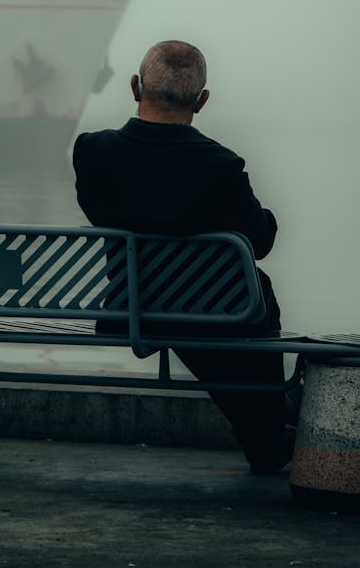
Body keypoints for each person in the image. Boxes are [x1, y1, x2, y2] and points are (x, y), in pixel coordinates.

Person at [72, 39, 295, 475]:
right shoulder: (219, 166)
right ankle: (270, 431)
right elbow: (261, 240)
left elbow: (98, 210)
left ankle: (272, 429)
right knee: (252, 297)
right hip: (211, 313)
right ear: (203, 100)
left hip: (131, 305)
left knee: (197, 307)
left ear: (135, 86)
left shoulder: (92, 152)